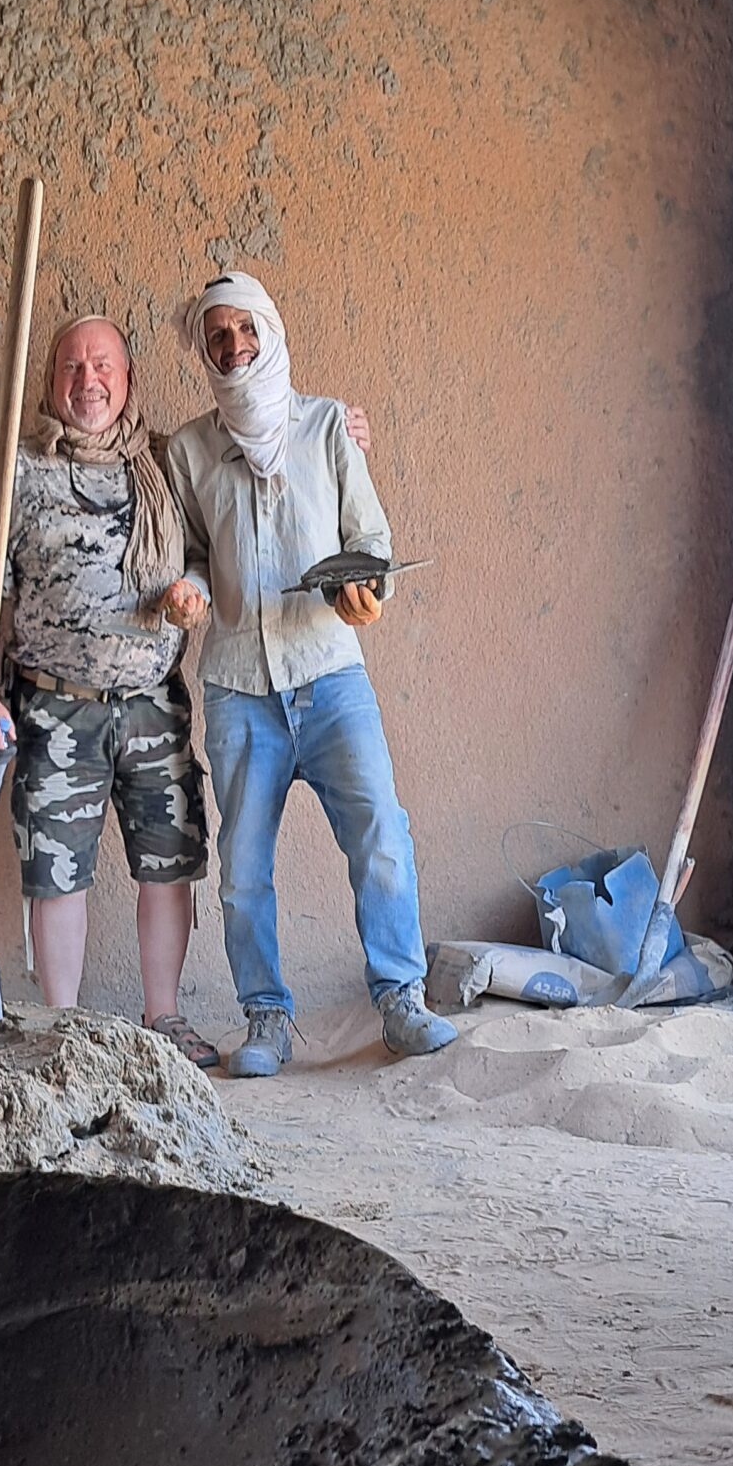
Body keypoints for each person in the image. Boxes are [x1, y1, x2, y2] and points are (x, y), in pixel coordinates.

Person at [160, 271, 455, 1078]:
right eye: (217, 337)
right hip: (237, 687)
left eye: (245, 329)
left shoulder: (327, 426)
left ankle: (401, 1000)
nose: (234, 346)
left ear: (271, 331)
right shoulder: (188, 452)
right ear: (205, 354)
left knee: (381, 834)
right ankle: (266, 1019)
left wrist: (370, 591)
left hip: (330, 675)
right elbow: (191, 550)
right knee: (243, 868)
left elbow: (370, 540)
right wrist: (187, 588)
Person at [0, 315, 219, 1065]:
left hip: (154, 704)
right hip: (54, 707)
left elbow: (228, 515)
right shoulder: (18, 471)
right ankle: (61, 1029)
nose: (87, 381)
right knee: (55, 871)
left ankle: (164, 1018)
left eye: (102, 366)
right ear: (50, 382)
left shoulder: (167, 466)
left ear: (128, 380)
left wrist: (337, 431)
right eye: (71, 367)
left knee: (169, 862)